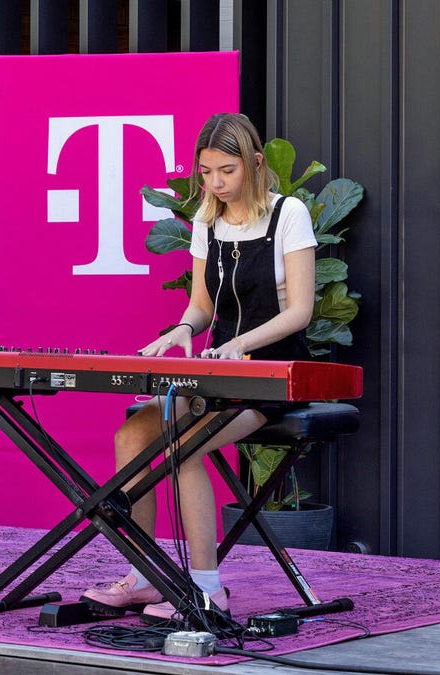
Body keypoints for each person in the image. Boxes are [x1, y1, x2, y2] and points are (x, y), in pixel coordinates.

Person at [82, 113, 316, 622]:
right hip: (215, 377)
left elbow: (301, 310)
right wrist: (184, 328)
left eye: (226, 171)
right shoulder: (208, 220)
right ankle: (146, 577)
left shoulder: (287, 214)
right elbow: (202, 305)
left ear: (255, 163)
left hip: (269, 378)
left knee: (182, 442)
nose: (215, 183)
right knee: (131, 436)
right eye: (206, 172)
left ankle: (208, 589)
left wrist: (241, 346)